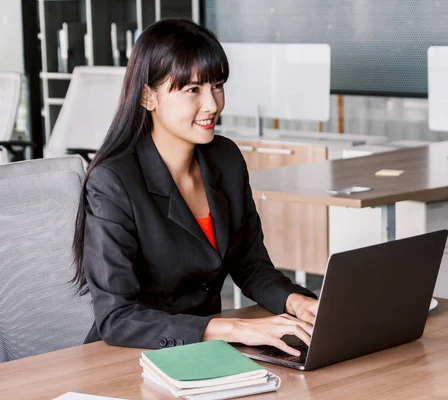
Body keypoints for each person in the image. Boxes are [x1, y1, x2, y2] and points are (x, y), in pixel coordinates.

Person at [72, 19, 318, 356]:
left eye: (217, 85)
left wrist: (296, 302)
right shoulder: (114, 181)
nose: (212, 104)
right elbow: (118, 318)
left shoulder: (225, 159)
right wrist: (234, 328)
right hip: (132, 356)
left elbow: (250, 266)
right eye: (193, 90)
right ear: (148, 96)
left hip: (206, 355)